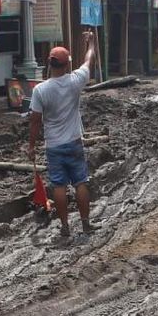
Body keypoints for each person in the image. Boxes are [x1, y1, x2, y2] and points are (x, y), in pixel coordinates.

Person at [27, 32, 97, 238]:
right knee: (80, 183)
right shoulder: (76, 80)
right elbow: (88, 59)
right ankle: (85, 224)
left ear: (49, 64)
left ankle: (65, 226)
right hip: (74, 142)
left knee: (59, 186)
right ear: (67, 65)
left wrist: (31, 146)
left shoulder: (40, 90)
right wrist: (91, 43)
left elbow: (34, 121)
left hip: (53, 146)